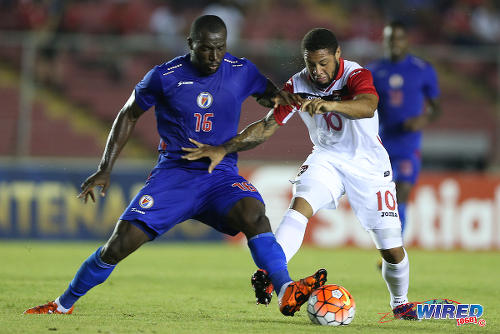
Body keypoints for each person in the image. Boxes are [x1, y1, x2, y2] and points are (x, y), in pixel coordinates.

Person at [23, 15, 326, 317]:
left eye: (220, 48)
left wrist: (281, 97)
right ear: (191, 44)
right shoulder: (164, 76)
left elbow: (268, 94)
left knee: (254, 215)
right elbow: (128, 115)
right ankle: (62, 304)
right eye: (207, 48)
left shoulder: (240, 69)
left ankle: (286, 289)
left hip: (218, 176)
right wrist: (105, 167)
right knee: (119, 245)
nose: (214, 56)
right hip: (175, 176)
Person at [182, 28, 418, 319]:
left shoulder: (356, 75)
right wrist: (224, 148)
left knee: (392, 250)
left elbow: (368, 107)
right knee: (299, 208)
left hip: (368, 166)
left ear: (337, 56)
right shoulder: (297, 84)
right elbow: (267, 126)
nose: (317, 71)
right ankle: (270, 275)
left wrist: (330, 103)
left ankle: (400, 302)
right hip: (327, 159)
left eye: (323, 63)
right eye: (311, 64)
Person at [367, 21, 441, 236]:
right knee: (380, 199)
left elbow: (437, 109)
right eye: (390, 39)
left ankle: (395, 248)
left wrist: (422, 120)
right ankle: (387, 244)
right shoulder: (373, 70)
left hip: (408, 145)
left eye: (399, 38)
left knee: (403, 192)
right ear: (384, 41)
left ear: (407, 41)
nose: (394, 43)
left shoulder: (423, 70)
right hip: (380, 144)